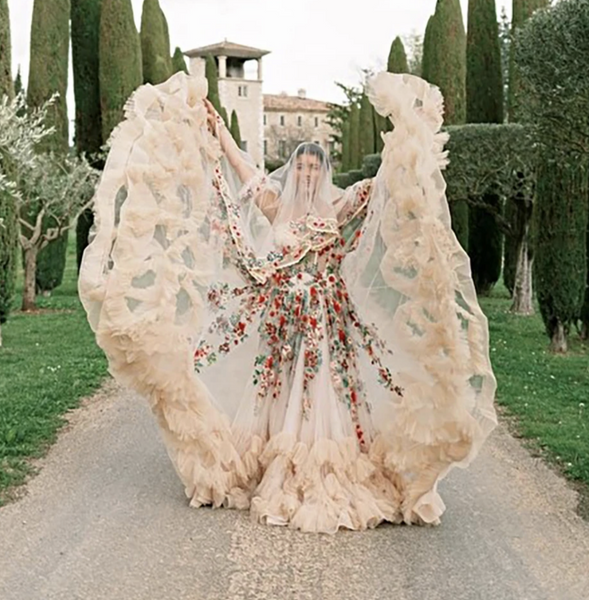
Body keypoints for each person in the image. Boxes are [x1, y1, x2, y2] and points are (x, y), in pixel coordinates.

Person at [78, 70, 497, 534]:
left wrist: (408, 137)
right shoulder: (275, 206)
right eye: (302, 166)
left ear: (324, 171)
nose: (307, 172)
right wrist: (216, 130)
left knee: (321, 388)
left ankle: (325, 465)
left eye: (315, 166)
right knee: (277, 388)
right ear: (294, 169)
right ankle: (275, 459)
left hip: (326, 319)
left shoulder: (338, 207)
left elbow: (381, 185)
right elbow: (239, 168)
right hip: (282, 316)